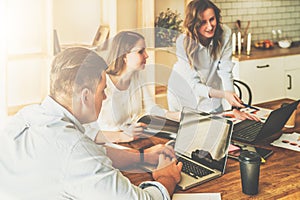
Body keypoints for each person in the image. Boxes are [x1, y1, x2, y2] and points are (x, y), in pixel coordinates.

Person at [0, 47, 182, 199]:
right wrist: (166, 178)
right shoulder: (74, 149)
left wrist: (142, 157)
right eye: (102, 90)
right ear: (85, 95)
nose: (105, 96)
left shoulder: (27, 115)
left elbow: (93, 153)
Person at [167, 0, 258, 120]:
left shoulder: (224, 34)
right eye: (203, 22)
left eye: (212, 19)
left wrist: (233, 106)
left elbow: (226, 72)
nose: (210, 26)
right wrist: (224, 94)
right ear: (194, 24)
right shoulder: (183, 43)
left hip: (213, 98)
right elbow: (193, 85)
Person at [97, 31, 180, 138]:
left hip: (134, 138)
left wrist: (177, 116)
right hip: (113, 143)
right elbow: (96, 129)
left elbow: (151, 108)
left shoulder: (137, 76)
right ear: (124, 56)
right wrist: (124, 133)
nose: (146, 55)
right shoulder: (102, 82)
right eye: (140, 52)